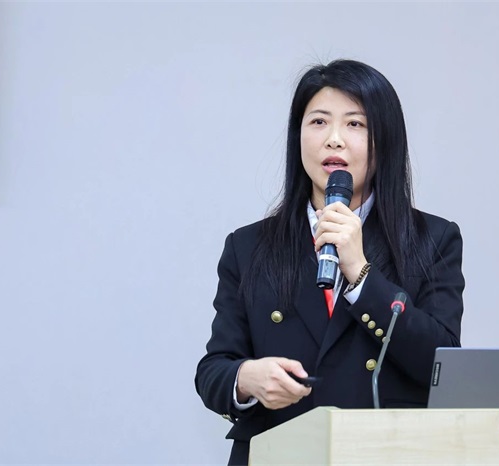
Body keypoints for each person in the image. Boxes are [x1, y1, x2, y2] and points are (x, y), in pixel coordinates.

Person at [195, 59, 465, 465]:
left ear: (385, 140)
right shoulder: (248, 246)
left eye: (355, 124)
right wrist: (246, 379)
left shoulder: (433, 240)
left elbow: (441, 365)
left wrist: (361, 275)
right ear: (298, 136)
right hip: (281, 454)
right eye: (319, 122)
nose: (334, 140)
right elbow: (214, 370)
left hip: (385, 454)